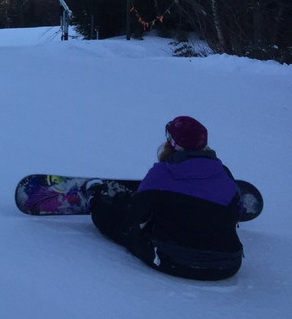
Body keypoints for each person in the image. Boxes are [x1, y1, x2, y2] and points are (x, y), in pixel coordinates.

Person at [89, 116, 243, 280]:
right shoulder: (224, 173)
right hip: (229, 264)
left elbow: (136, 218)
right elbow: (237, 212)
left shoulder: (163, 174)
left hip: (172, 260)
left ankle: (98, 199)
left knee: (117, 221)